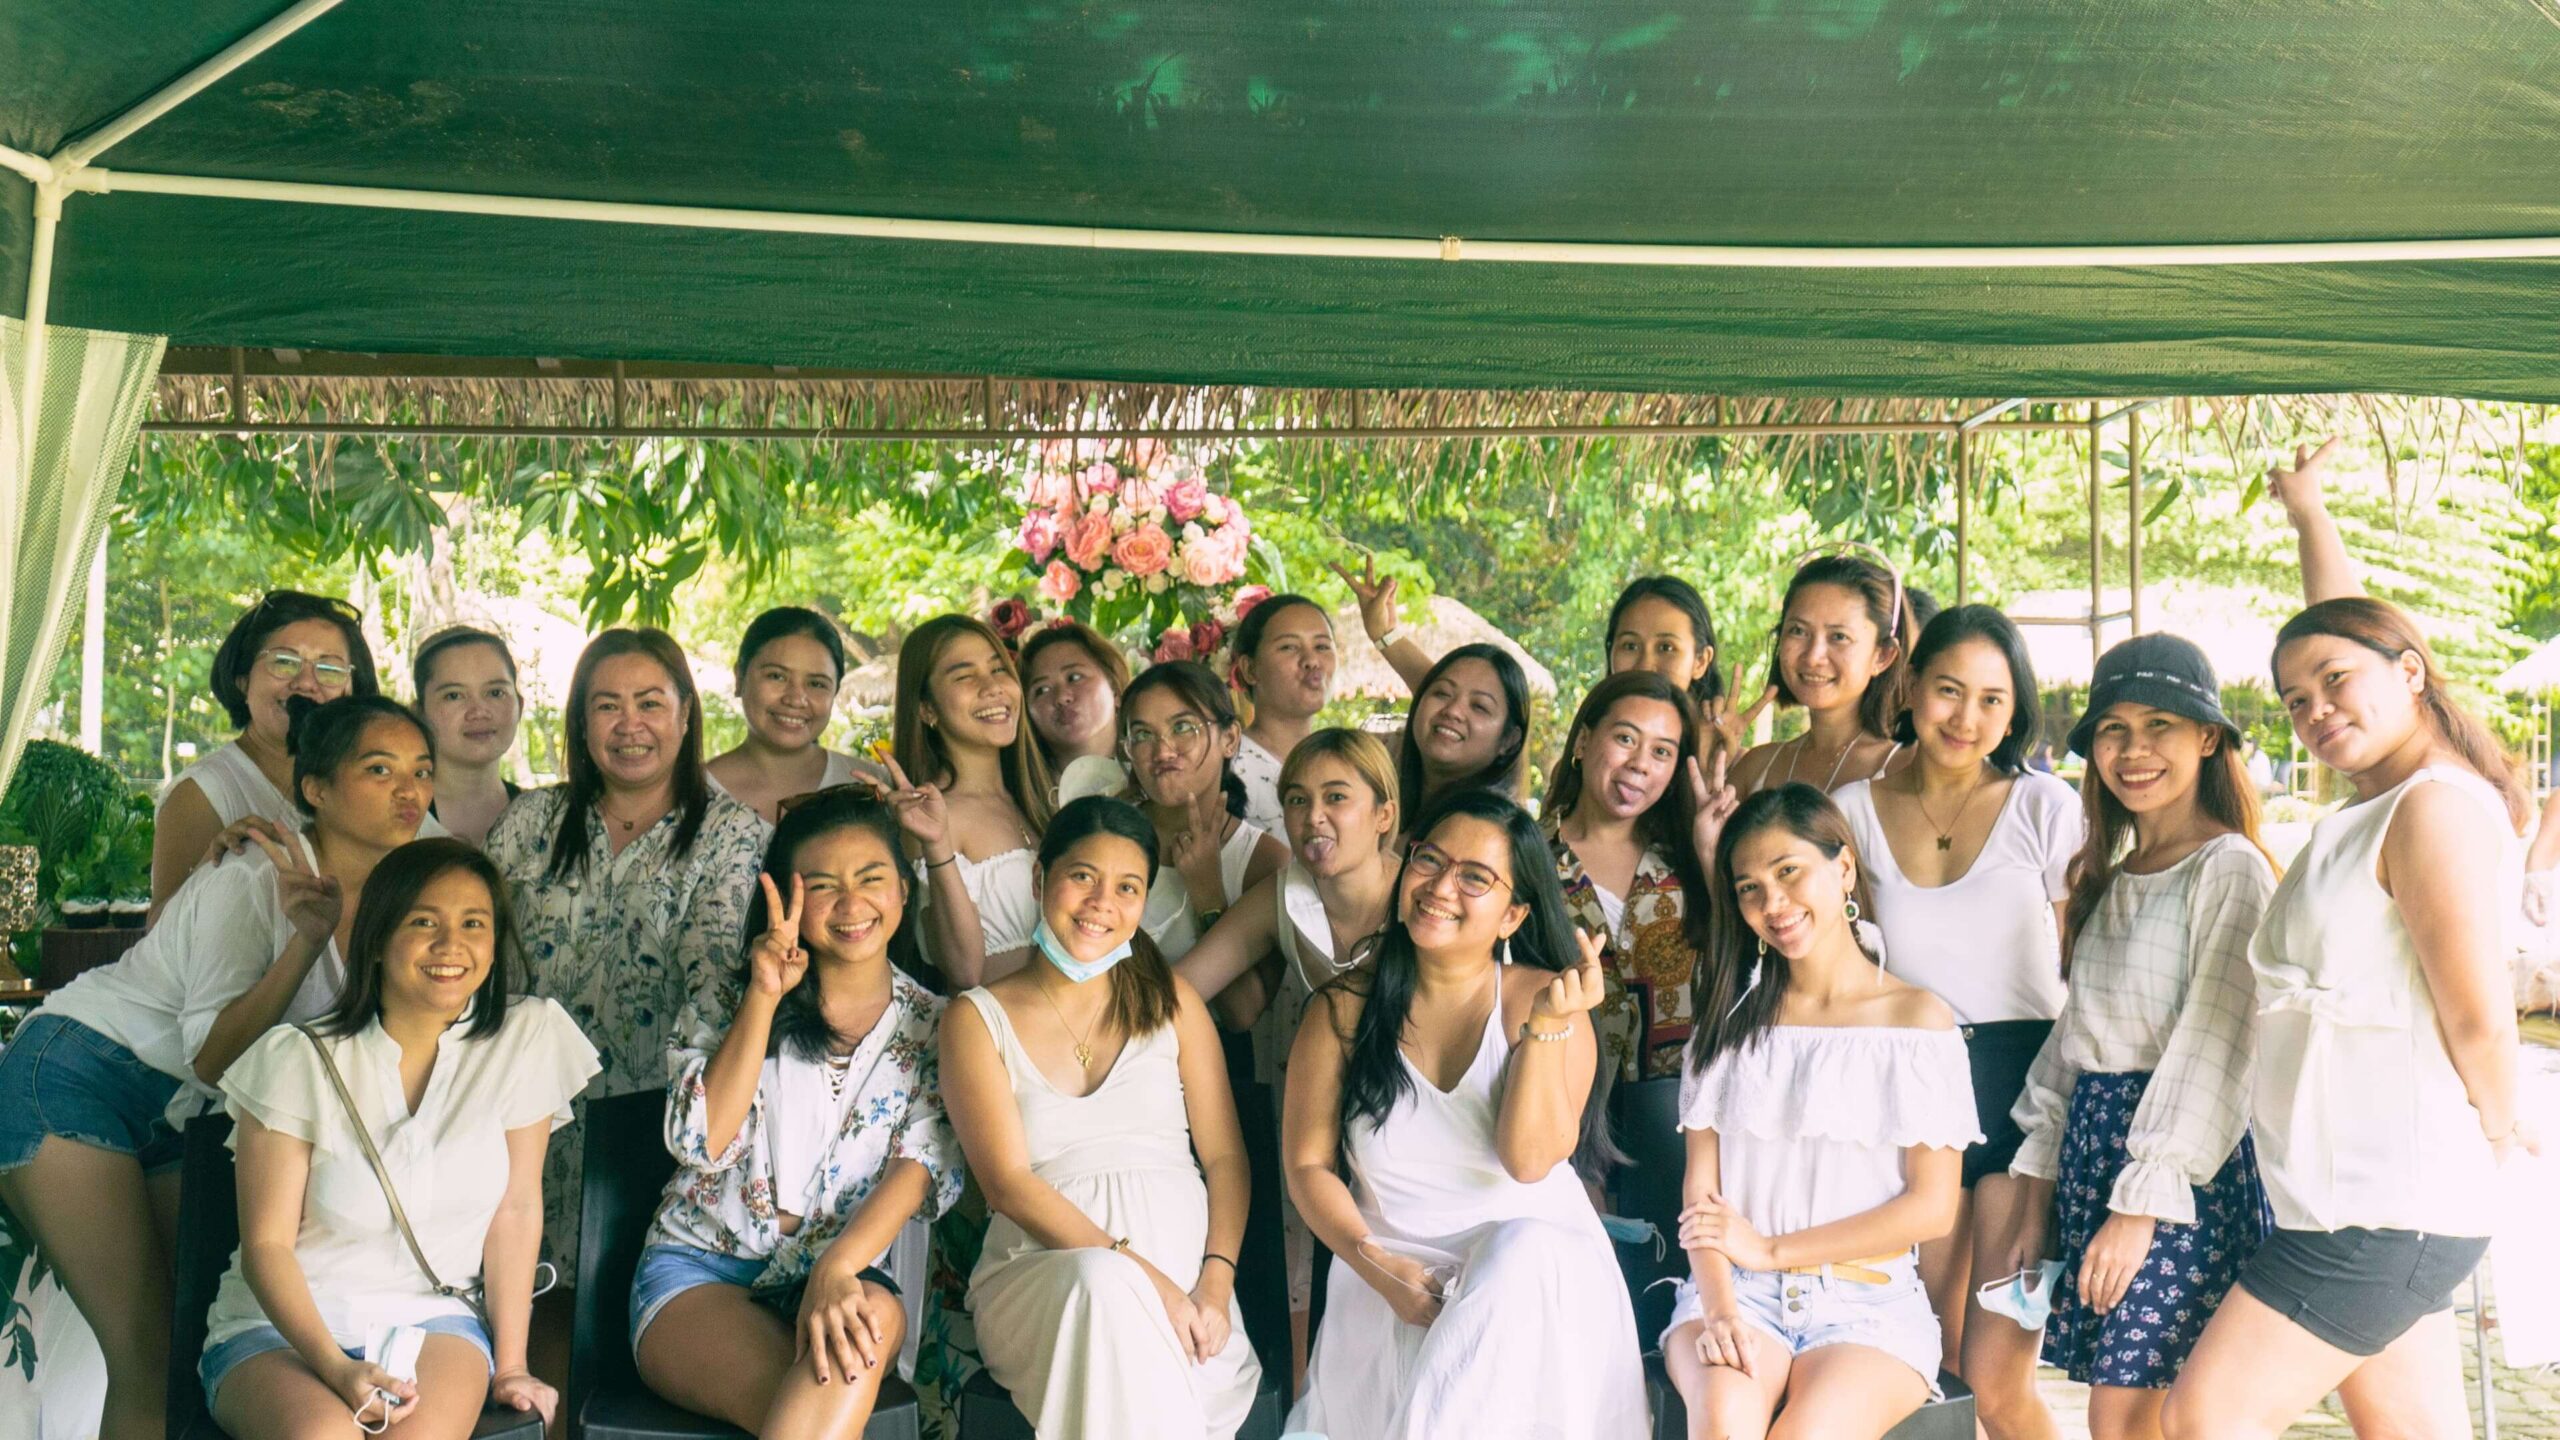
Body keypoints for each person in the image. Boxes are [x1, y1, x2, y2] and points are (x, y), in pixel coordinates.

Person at [2165, 441, 2537, 1440]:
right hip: (2340, 1201)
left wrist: (2499, 1136)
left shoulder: (2433, 808)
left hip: (2385, 1211)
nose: (2315, 710)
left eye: (2334, 683)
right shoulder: (2381, 800)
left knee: (2202, 1418)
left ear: (2411, 673)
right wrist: (2308, 514)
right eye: (2295, 700)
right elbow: (2344, 632)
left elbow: (2476, 1015)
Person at [0, 694, 434, 1440]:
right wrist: (305, 940)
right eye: (379, 770)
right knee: (149, 1356)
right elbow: (214, 1057)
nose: (409, 791)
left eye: (423, 772)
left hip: (186, 1114)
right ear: (316, 788)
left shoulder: (405, 887)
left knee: (195, 1336)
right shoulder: (254, 876)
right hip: (79, 1075)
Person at [199, 838, 598, 1440]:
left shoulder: (524, 1040)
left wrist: (513, 1364)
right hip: (282, 1331)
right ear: (378, 939)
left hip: (434, 1323)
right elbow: (267, 1246)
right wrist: (337, 1369)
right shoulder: (295, 1060)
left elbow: (516, 1210)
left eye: (473, 923)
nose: (450, 945)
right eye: (423, 922)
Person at [1283, 789, 1647, 1440]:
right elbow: (1308, 1167)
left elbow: (1529, 1162)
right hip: (1390, 1279)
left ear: (1513, 915)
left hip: (1533, 1295)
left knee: (1521, 1247)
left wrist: (1547, 1024)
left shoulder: (1544, 999)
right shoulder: (1341, 1010)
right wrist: (1378, 1268)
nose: (1441, 886)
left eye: (1475, 877)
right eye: (1430, 860)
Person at [1997, 634, 2278, 1440]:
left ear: (2208, 738)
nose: (2133, 750)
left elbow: (2219, 1043)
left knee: (2131, 1415)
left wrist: (2142, 1205)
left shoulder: (2228, 866)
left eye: (2160, 725)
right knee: (2132, 1417)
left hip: (2180, 1175)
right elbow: (2074, 1044)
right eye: (2113, 730)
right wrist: (2035, 1200)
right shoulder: (2111, 877)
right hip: (2097, 1156)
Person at [634, 790, 964, 1440]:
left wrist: (837, 1267)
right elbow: (700, 1141)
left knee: (858, 1340)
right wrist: (763, 996)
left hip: (847, 1268)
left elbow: (921, 1167)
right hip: (702, 1270)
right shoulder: (729, 995)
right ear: (786, 899)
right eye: (822, 886)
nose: (851, 903)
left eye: (870, 878)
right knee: (808, 1411)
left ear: (903, 889)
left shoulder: (940, 1025)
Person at [939, 797, 1263, 1438]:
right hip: (1047, 1283)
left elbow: (1227, 1158)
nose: (1101, 903)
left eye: (1127, 887)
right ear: (1040, 878)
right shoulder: (975, 1018)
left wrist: (1215, 1284)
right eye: (1082, 876)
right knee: (1101, 1281)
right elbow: (1007, 1184)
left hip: (1194, 1296)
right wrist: (1148, 1285)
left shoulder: (1173, 1002)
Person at [1664, 784, 1976, 1439]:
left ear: (1843, 868)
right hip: (1735, 1293)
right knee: (1722, 1423)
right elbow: (1702, 1196)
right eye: (1749, 888)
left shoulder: (1918, 1022)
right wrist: (1719, 1309)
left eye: (1788, 872)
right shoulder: (1726, 1024)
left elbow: (1931, 1209)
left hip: (1869, 1303)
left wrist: (1772, 1249)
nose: (1773, 904)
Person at [1833, 604, 2078, 1440]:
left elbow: (2085, 968)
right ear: (1908, 687)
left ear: (2014, 713)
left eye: (1991, 700)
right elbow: (1843, 965)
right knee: (1929, 1368)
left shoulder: (2045, 806)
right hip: (1913, 1096)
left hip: (2027, 1099)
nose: (1966, 717)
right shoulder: (1852, 809)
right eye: (1948, 689)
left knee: (1998, 1384)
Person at [485, 627, 771, 1274]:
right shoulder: (529, 823)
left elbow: (717, 986)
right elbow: (482, 965)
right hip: (521, 1119)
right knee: (520, 1301)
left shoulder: (735, 834)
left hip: (661, 1127)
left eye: (650, 703)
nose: (630, 724)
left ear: (685, 714)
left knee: (629, 1306)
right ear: (582, 723)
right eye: (607, 705)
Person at [1173, 728, 1402, 1378]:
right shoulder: (1286, 892)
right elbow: (1185, 988)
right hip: (1331, 1124)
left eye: (1337, 797)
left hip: (1419, 1121)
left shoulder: (1422, 892)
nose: (1312, 817)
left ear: (1383, 814)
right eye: (1297, 800)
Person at [1541, 670, 1726, 1084]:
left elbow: (1742, 968)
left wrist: (1712, 855)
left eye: (1662, 752)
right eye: (1625, 738)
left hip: (1679, 1111)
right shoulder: (1526, 857)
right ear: (1583, 741)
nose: (1640, 764)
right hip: (1560, 1101)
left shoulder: (1690, 861)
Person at [152, 589, 381, 915]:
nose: (306, 683)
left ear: (351, 690)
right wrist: (209, 864)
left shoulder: (373, 779)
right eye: (284, 663)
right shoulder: (202, 793)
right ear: (243, 680)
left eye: (329, 669)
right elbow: (157, 930)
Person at [889, 614, 1058, 988]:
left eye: (998, 669)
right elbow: (964, 971)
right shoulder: (929, 816)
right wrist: (937, 845)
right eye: (965, 676)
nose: (993, 687)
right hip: (996, 1022)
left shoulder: (1038, 797)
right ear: (926, 709)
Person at [1117, 662, 1287, 962]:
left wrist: (1208, 895)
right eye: (1143, 734)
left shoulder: (1263, 860)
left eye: (1182, 728)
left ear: (1230, 739)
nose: (1163, 752)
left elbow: (1249, 995)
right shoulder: (1105, 831)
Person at [1735, 551, 1913, 798]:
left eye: (1839, 637)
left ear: (1882, 656)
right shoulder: (1756, 767)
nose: (1813, 657)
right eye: (1798, 631)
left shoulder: (1905, 771)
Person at [707, 606, 884, 824]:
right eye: (776, 676)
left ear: (834, 692)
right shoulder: (688, 792)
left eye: (816, 684)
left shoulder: (873, 787)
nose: (795, 699)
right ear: (739, 677)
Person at [1226, 593, 1338, 836]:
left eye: (1322, 646)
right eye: (1289, 647)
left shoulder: (1345, 762)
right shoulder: (1227, 768)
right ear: (1250, 669)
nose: (1312, 661)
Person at [1394, 643, 1533, 824]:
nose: (1453, 711)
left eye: (1479, 706)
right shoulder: (1379, 787)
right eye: (1442, 693)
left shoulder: (1488, 830)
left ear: (1508, 740)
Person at [411, 626, 523, 847]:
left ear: (520, 705)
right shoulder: (394, 815)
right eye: (454, 696)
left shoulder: (548, 818)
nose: (478, 712)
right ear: (419, 713)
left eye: (495, 693)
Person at [1021, 618, 1131, 800]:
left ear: (1115, 689)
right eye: (1042, 690)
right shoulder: (1022, 797)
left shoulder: (1154, 770)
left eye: (1074, 677)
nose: (1061, 697)